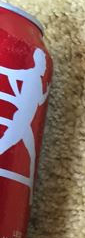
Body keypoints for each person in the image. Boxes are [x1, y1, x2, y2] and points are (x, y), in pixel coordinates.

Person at [0, 48, 49, 190]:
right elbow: (11, 73)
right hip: (20, 121)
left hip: (26, 124)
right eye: (43, 64)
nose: (44, 67)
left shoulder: (38, 81)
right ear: (38, 63)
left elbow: (39, 102)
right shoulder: (30, 74)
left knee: (31, 154)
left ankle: (28, 194)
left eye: (45, 65)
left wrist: (46, 92)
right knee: (4, 145)